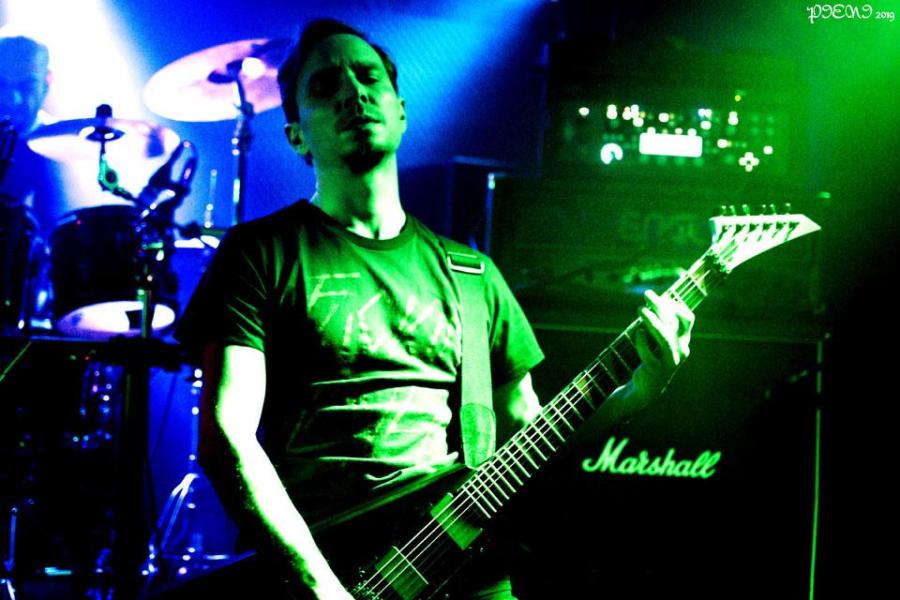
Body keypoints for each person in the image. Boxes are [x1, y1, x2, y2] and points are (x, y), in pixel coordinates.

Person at [176, 18, 694, 600]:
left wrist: (637, 393)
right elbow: (226, 436)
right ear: (296, 135)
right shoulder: (260, 253)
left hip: (464, 566)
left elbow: (529, 436)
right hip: (323, 565)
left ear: (399, 110)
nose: (353, 92)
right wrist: (322, 589)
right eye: (325, 86)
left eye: (368, 76)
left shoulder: (473, 276)